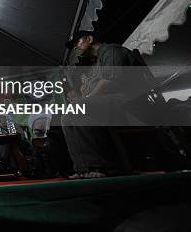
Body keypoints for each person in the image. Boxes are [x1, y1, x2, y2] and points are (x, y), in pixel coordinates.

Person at [62, 30, 149, 179]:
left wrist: (86, 99)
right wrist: (83, 93)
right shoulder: (96, 64)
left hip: (128, 99)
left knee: (77, 108)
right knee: (67, 117)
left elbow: (110, 81)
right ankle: (84, 168)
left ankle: (98, 166)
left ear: (89, 39)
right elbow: (91, 92)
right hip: (109, 103)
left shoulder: (112, 50)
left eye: (78, 42)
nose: (76, 47)